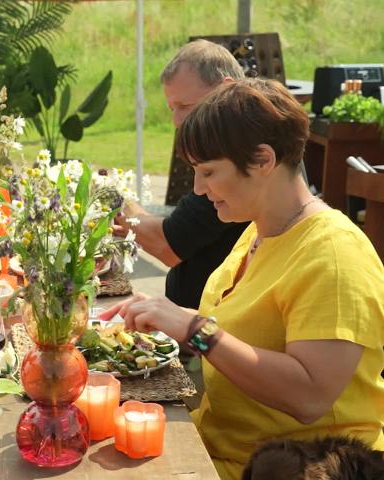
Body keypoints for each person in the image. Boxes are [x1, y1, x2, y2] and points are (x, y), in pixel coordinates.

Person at [103, 78, 384, 480]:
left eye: (208, 173)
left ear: (263, 160)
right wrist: (167, 317)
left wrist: (197, 331)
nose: (199, 189)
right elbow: (241, 335)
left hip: (286, 468)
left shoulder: (334, 255)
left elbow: (310, 395)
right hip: (216, 446)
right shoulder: (258, 231)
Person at [115, 40, 248, 309]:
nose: (176, 121)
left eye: (185, 106)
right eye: (171, 108)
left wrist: (114, 202)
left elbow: (170, 244)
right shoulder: (226, 147)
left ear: (226, 88)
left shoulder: (237, 154)